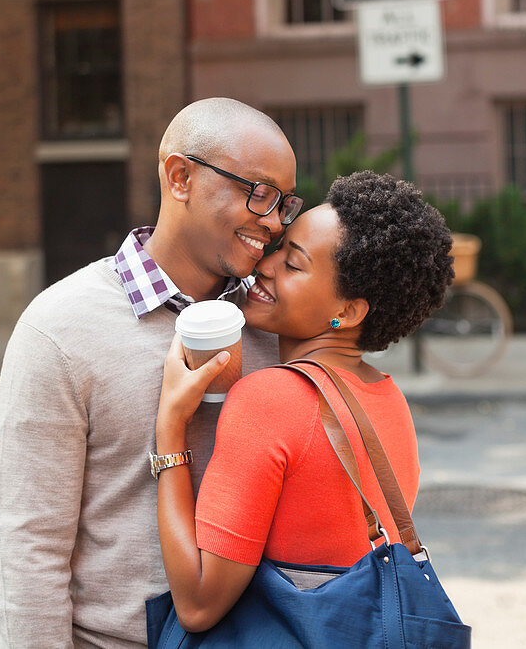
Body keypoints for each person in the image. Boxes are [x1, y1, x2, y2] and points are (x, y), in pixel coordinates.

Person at [0, 97, 302, 649]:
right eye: (258, 192)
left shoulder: (277, 325)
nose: (273, 222)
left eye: (284, 203)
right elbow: (29, 549)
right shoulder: (59, 328)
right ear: (180, 176)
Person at [154, 170, 454, 632]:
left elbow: (197, 604)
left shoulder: (270, 398)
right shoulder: (389, 398)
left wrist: (171, 426)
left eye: (293, 265)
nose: (266, 266)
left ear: (347, 312)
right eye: (279, 249)